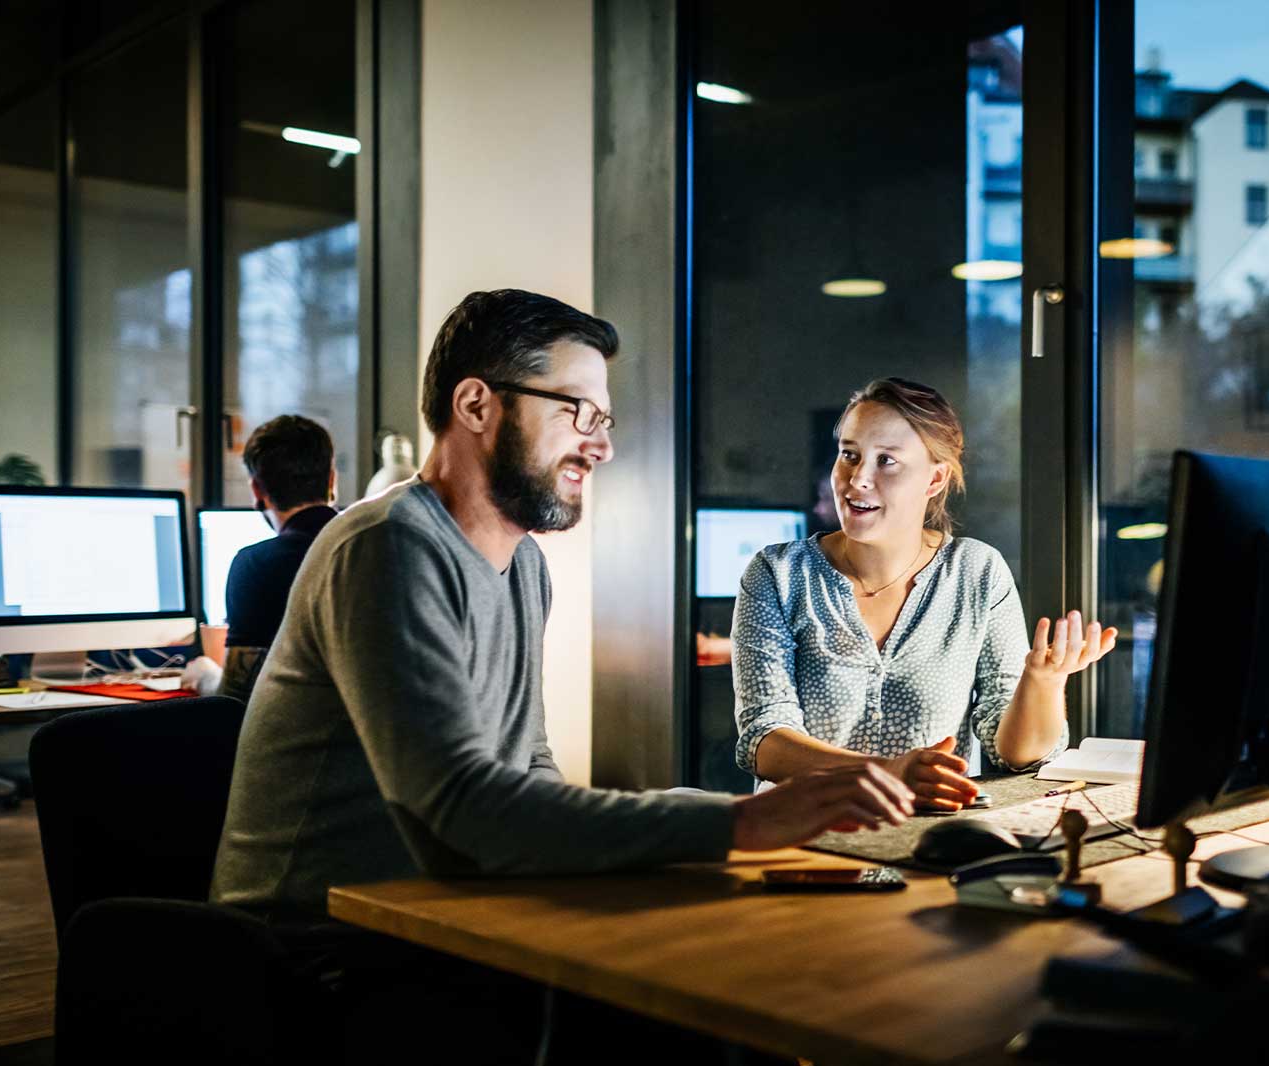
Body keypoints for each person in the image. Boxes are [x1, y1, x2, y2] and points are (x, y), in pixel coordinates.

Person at [208, 291, 912, 1058]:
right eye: (577, 412)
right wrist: (739, 823)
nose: (600, 447)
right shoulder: (385, 547)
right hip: (319, 957)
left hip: (449, 921)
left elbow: (528, 769)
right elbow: (463, 812)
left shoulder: (523, 568)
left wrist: (714, 832)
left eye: (603, 420)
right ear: (476, 405)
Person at [733, 377, 1117, 810]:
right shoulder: (778, 573)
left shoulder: (977, 571)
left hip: (932, 834)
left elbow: (1015, 755)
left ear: (934, 479)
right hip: (801, 832)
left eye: (887, 461)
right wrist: (887, 774)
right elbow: (764, 741)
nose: (858, 478)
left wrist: (1043, 682)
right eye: (850, 455)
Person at [213, 414, 340, 704]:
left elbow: (236, 698)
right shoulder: (368, 546)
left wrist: (205, 676)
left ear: (256, 490)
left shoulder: (256, 565)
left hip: (296, 728)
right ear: (332, 480)